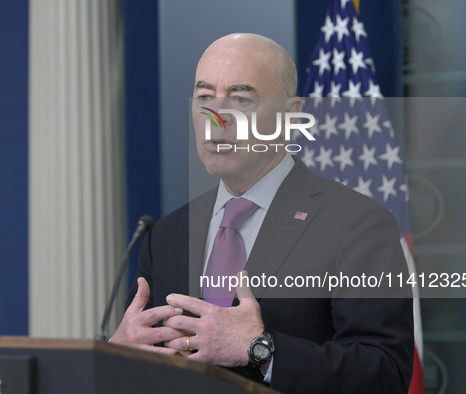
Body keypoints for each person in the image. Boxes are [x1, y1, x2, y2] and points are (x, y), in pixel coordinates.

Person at [110, 33, 414, 393]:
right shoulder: (166, 235)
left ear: (290, 115)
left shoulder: (357, 224)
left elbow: (384, 372)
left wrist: (261, 350)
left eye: (240, 99)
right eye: (204, 97)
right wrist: (118, 356)